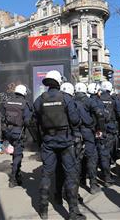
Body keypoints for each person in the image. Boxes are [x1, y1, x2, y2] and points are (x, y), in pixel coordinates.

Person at [33, 70, 84, 220]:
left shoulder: (40, 99)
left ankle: (43, 211)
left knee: (47, 174)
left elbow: (32, 121)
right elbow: (75, 120)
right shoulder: (66, 98)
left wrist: (41, 138)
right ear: (58, 82)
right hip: (66, 142)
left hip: (48, 141)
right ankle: (73, 213)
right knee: (70, 175)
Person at [74, 82, 105, 194]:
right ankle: (93, 185)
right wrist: (99, 129)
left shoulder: (71, 101)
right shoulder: (89, 101)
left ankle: (80, 181)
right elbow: (100, 115)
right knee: (91, 157)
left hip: (75, 133)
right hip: (88, 132)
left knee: (77, 158)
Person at [2, 84, 32, 187]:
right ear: (24, 93)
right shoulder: (25, 104)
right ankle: (13, 179)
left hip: (8, 131)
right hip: (18, 132)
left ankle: (17, 174)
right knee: (18, 155)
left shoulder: (7, 102)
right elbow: (28, 121)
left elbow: (3, 118)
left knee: (14, 154)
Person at [99, 81, 120, 186]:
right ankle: (107, 177)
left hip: (99, 129)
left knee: (100, 151)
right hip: (111, 129)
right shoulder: (114, 100)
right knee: (108, 153)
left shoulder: (97, 99)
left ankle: (102, 173)